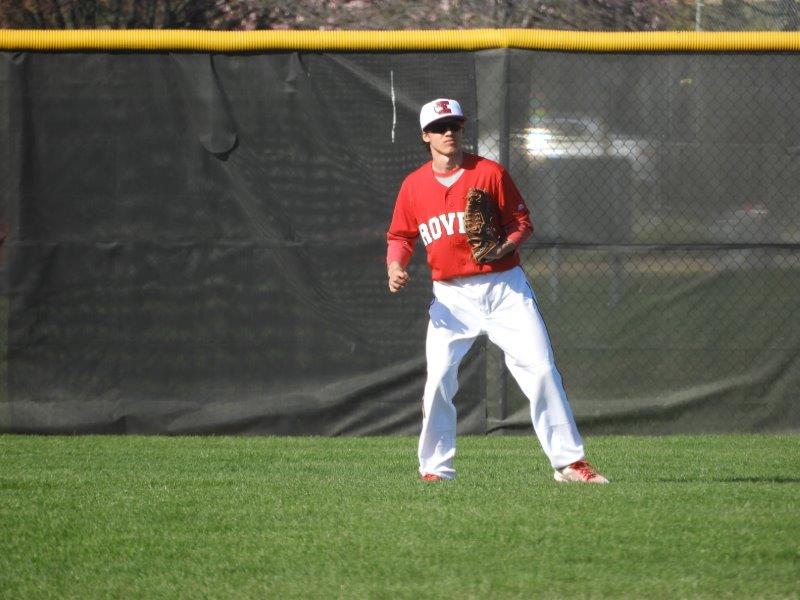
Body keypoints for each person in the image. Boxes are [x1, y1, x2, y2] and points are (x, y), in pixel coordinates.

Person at [386, 98, 608, 484]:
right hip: (450, 296)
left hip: (504, 289)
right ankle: (435, 469)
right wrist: (395, 266)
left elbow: (522, 222)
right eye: (440, 128)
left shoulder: (489, 173)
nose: (449, 132)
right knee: (438, 379)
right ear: (426, 136)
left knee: (540, 371)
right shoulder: (413, 186)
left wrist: (505, 245)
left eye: (455, 124)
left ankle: (569, 463)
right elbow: (401, 235)